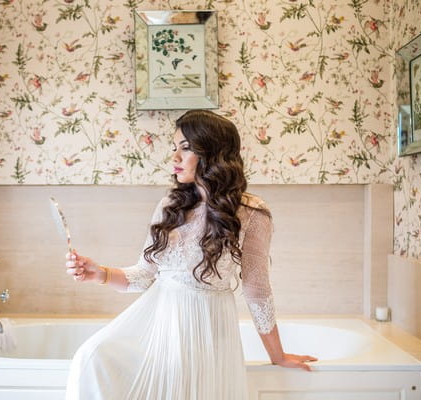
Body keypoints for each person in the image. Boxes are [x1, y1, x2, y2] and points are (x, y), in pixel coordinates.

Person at [64, 110, 317, 400]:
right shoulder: (170, 205)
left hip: (207, 329)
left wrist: (278, 355)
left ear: (213, 153)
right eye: (174, 148)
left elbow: (257, 289)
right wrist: (100, 273)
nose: (174, 157)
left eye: (185, 148)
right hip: (159, 327)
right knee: (92, 356)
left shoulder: (252, 213)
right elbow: (144, 275)